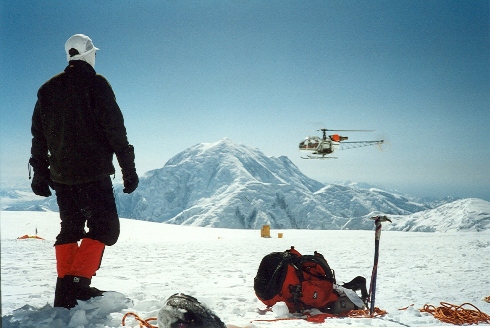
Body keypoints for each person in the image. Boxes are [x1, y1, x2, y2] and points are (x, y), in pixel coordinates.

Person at [29, 34, 139, 309]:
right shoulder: (96, 84)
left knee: (70, 229)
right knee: (106, 229)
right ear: (89, 53)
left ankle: (63, 289)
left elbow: (39, 136)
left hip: (61, 177)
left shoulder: (47, 89)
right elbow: (115, 130)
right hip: (92, 174)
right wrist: (128, 169)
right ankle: (78, 285)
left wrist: (41, 172)